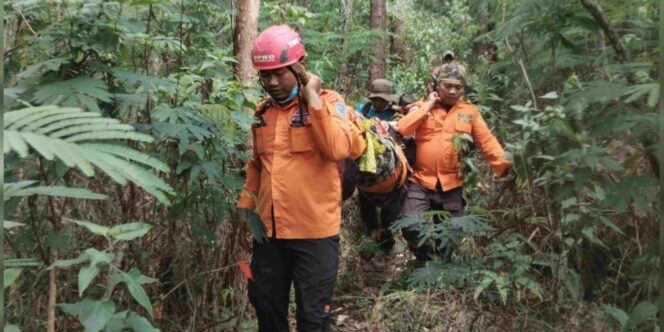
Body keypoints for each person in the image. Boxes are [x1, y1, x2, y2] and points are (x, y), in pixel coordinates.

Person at [236, 24, 356, 332]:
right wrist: (246, 208)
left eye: (280, 73)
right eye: (265, 75)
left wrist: (312, 96)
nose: (272, 82)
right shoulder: (262, 113)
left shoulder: (329, 104)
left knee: (313, 318)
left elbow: (338, 148)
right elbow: (258, 166)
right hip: (270, 233)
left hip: (314, 232)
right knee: (265, 306)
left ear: (299, 66)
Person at [397, 62, 511, 262]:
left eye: (458, 87)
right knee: (410, 224)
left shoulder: (470, 112)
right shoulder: (422, 106)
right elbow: (403, 129)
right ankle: (425, 260)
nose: (452, 91)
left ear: (464, 88)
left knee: (452, 234)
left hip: (452, 183)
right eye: (447, 85)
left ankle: (443, 270)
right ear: (436, 85)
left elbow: (487, 141)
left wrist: (505, 166)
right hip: (421, 181)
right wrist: (427, 106)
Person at [354, 79, 404, 257]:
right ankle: (370, 237)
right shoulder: (362, 110)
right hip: (366, 170)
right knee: (366, 207)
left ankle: (386, 245)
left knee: (389, 213)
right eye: (376, 99)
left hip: (392, 172)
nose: (379, 103)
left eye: (383, 99)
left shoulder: (397, 114)